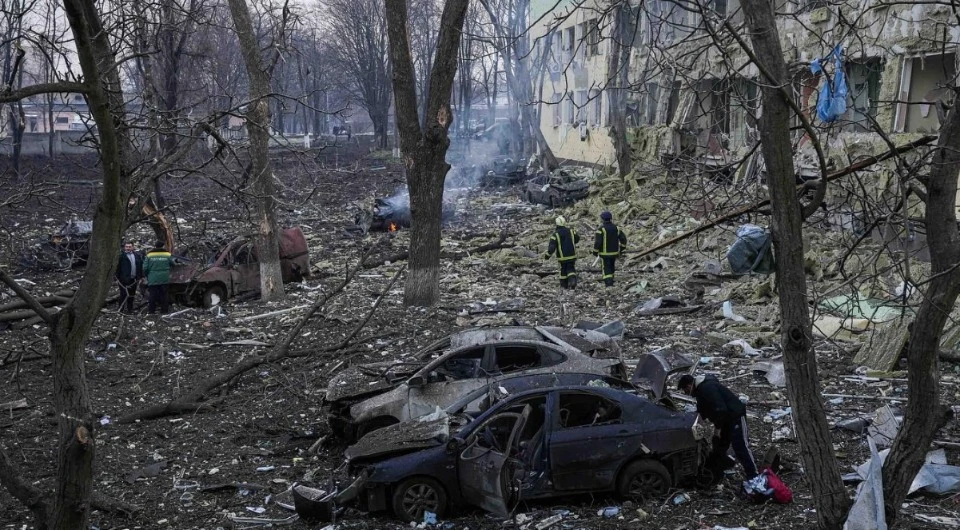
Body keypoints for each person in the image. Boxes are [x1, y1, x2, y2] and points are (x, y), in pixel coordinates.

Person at [678, 374, 759, 479]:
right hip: (726, 418)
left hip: (735, 416)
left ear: (689, 386)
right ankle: (722, 466)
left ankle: (754, 475)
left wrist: (717, 428)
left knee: (740, 446)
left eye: (685, 390)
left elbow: (720, 409)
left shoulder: (707, 388)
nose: (686, 393)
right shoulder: (701, 390)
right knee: (720, 444)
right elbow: (702, 409)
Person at [543, 215, 579, 289]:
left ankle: (564, 285)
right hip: (572, 255)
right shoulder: (571, 231)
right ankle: (572, 281)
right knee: (571, 268)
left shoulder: (555, 234)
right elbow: (577, 239)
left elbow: (552, 247)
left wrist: (547, 255)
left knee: (563, 270)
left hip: (562, 257)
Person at [593, 211, 627, 287]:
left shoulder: (601, 229)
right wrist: (622, 249)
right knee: (612, 266)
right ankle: (611, 281)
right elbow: (623, 238)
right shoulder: (616, 228)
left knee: (606, 268)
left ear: (602, 219)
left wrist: (595, 251)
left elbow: (598, 242)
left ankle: (609, 284)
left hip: (604, 254)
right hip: (614, 253)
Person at [142, 242, 176, 314]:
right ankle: (164, 311)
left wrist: (148, 275)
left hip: (153, 278)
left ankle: (151, 311)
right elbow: (173, 264)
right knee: (164, 295)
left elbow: (145, 268)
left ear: (155, 246)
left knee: (152, 295)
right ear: (163, 246)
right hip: (164, 278)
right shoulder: (167, 254)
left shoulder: (149, 255)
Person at [115, 241, 143, 313]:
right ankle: (121, 309)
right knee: (123, 294)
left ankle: (130, 309)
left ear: (133, 247)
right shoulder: (121, 256)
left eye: (129, 247)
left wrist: (140, 277)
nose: (128, 248)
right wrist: (116, 278)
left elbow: (140, 266)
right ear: (124, 247)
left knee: (132, 295)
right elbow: (117, 268)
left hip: (134, 279)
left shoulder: (137, 255)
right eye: (127, 247)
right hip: (123, 279)